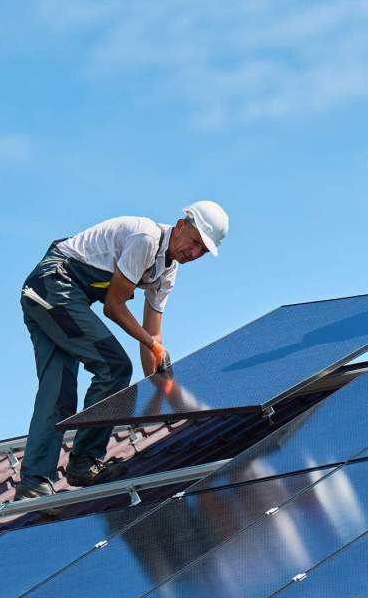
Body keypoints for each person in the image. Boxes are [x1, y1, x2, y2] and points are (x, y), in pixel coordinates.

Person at [16, 201, 229, 499]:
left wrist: (161, 387)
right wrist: (153, 345)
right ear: (181, 226)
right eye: (194, 242)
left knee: (59, 391)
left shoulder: (167, 271)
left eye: (202, 251)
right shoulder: (146, 239)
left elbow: (152, 333)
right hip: (54, 286)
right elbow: (113, 307)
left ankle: (33, 484)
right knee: (114, 367)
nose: (194, 253)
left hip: (55, 298)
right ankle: (84, 462)